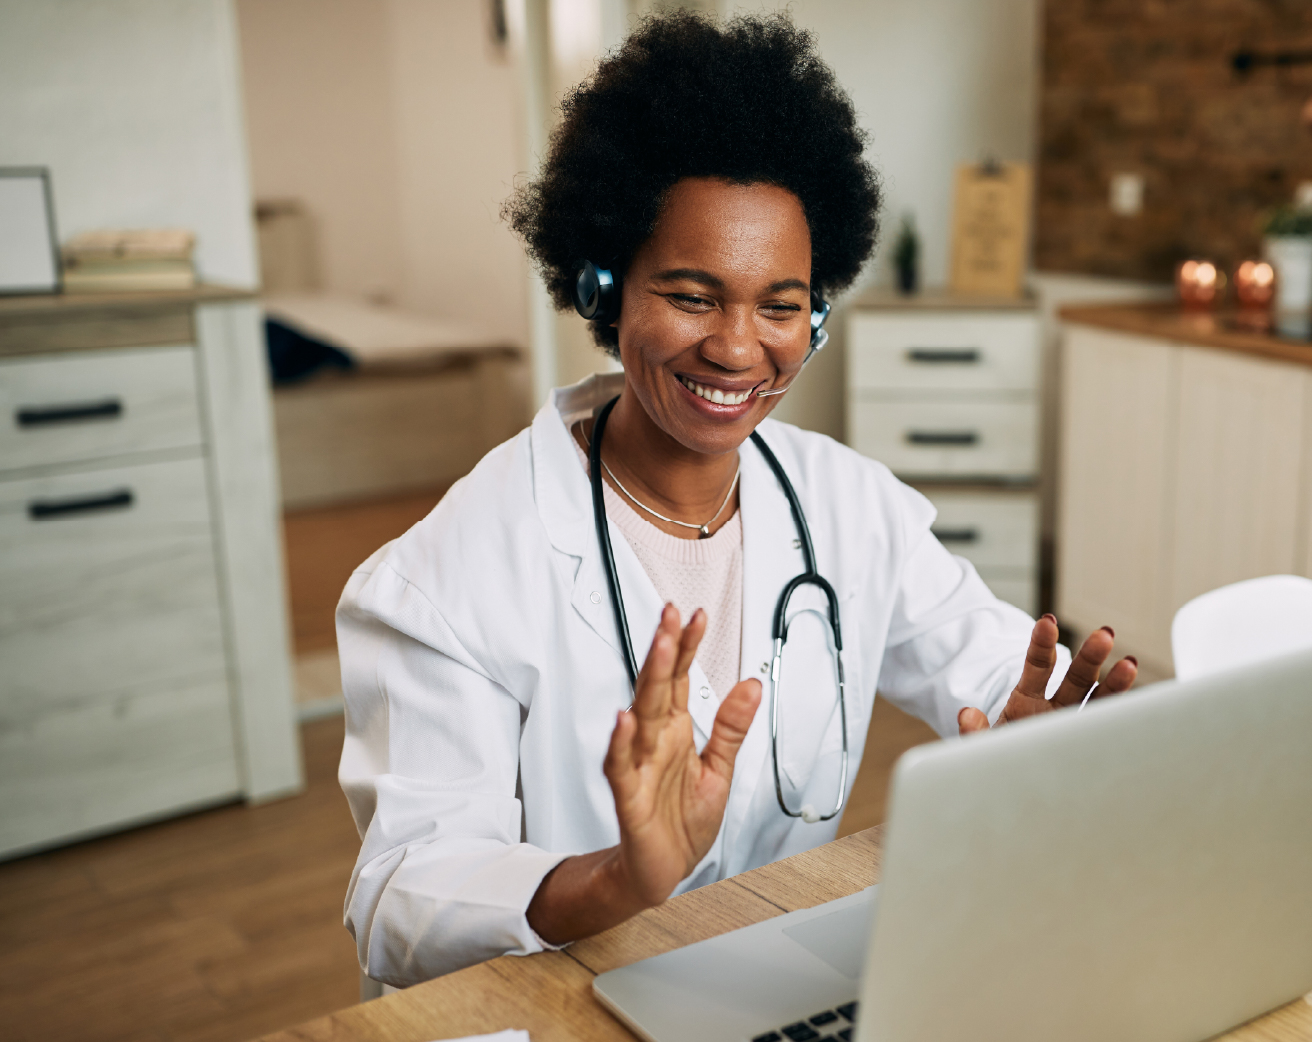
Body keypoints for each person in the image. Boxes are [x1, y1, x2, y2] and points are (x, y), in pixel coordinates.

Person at [337, 11, 1136, 988]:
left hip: (772, 978)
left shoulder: (851, 507)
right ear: (601, 285)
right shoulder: (445, 576)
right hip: (561, 1002)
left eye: (780, 303)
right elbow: (397, 899)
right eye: (690, 293)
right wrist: (615, 877)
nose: (737, 347)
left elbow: (993, 672)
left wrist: (1039, 748)